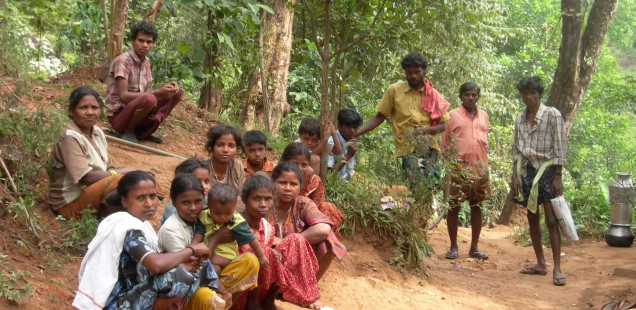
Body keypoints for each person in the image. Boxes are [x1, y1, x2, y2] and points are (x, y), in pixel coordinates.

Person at [74, 171, 222, 310]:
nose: (149, 203)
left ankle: (222, 296)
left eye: (152, 196)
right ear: (124, 201)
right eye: (140, 198)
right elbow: (156, 265)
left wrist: (185, 260)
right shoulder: (127, 229)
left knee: (192, 266)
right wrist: (191, 249)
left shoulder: (142, 225)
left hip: (134, 293)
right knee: (179, 275)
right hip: (117, 303)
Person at [157, 175, 260, 308]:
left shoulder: (208, 215)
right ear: (174, 202)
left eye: (198, 201)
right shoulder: (171, 230)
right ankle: (219, 297)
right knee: (205, 295)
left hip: (208, 271)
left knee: (250, 261)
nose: (193, 208)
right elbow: (191, 271)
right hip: (187, 287)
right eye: (185, 203)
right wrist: (217, 238)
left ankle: (224, 304)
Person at [356, 51, 450, 188]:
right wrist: (357, 133)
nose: (413, 76)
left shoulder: (432, 94)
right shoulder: (394, 90)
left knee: (430, 186)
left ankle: (425, 209)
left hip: (429, 146)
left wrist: (425, 130)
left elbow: (443, 125)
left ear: (424, 71)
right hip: (406, 146)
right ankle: (413, 208)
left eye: (417, 72)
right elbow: (380, 116)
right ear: (405, 72)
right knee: (413, 183)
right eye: (409, 72)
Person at [511, 76, 567, 286]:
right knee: (532, 217)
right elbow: (516, 149)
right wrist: (514, 176)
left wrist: (558, 176)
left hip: (547, 170)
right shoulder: (520, 119)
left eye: (532, 93)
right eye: (525, 93)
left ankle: (558, 269)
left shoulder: (552, 115)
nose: (528, 97)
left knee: (551, 220)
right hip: (527, 171)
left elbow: (560, 147)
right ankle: (540, 263)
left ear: (539, 94)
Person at [235, 174, 321, 310]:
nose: (263, 204)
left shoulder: (266, 226)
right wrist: (269, 255)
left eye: (267, 199)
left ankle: (269, 300)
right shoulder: (236, 224)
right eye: (256, 199)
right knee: (262, 253)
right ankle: (252, 303)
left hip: (262, 289)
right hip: (238, 292)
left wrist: (274, 256)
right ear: (245, 200)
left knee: (296, 239)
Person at [49, 86, 134, 220]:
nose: (90, 112)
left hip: (94, 193)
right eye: (83, 108)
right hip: (70, 203)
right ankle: (108, 223)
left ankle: (121, 220)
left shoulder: (98, 132)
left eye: (94, 108)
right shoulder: (69, 137)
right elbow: (87, 177)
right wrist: (122, 173)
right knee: (119, 180)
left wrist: (128, 175)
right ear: (71, 111)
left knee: (142, 180)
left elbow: (109, 167)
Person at [105, 21, 183, 144]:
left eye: (149, 42)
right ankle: (129, 131)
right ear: (132, 41)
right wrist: (157, 92)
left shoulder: (146, 61)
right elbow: (123, 96)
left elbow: (146, 92)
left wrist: (165, 89)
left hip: (136, 111)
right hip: (119, 115)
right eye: (141, 41)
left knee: (177, 93)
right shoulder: (123, 61)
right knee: (150, 99)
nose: (145, 45)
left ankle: (146, 131)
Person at [269, 162, 346, 282]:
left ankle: (309, 287)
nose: (288, 188)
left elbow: (324, 228)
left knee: (329, 239)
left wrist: (288, 241)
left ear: (300, 187)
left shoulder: (302, 203)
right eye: (282, 183)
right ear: (273, 184)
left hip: (294, 262)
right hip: (268, 262)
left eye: (293, 184)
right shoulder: (264, 203)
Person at [441, 82, 490, 260]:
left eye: (474, 95)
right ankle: (453, 247)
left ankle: (474, 248)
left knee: (477, 206)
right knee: (453, 206)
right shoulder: (451, 115)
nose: (471, 98)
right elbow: (445, 144)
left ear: (478, 96)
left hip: (479, 168)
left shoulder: (484, 116)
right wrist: (450, 163)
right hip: (457, 169)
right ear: (461, 96)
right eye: (467, 95)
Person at [282, 143, 343, 236]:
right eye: (294, 164)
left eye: (304, 165)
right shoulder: (278, 178)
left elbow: (317, 205)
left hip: (308, 217)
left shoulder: (314, 181)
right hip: (283, 215)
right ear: (284, 162)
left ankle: (320, 241)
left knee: (328, 208)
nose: (299, 169)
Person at [206, 124, 246, 212]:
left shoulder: (237, 165)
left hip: (232, 215)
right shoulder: (204, 169)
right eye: (220, 145)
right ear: (212, 147)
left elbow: (242, 196)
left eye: (231, 146)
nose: (225, 150)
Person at [160, 157, 211, 224]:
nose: (204, 186)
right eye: (197, 181)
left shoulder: (207, 200)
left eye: (206, 182)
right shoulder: (173, 210)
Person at [327, 108, 363, 181]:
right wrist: (348, 156)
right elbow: (328, 175)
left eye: (355, 127)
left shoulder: (349, 142)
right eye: (348, 126)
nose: (352, 130)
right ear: (339, 126)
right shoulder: (331, 142)